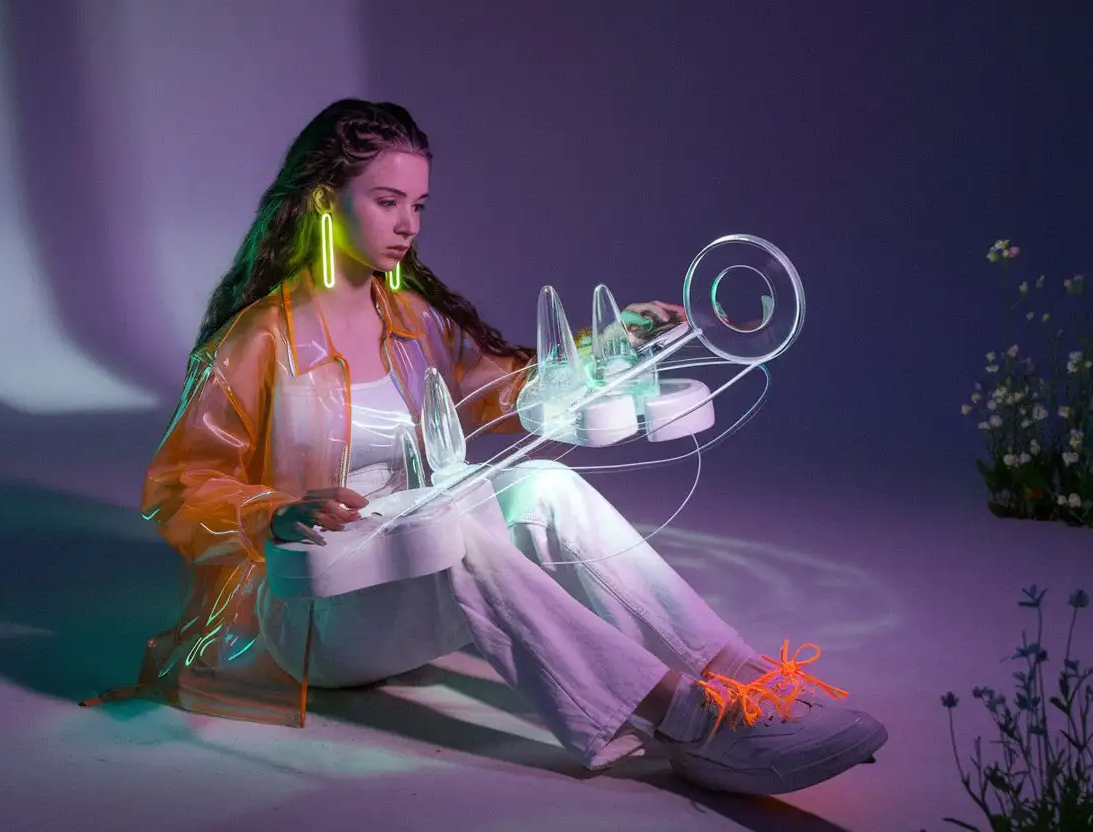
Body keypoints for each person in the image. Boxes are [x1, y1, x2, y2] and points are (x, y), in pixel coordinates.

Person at [85, 99, 886, 795]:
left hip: (398, 572)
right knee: (459, 536)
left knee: (543, 485)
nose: (409, 225)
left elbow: (510, 388)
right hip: (309, 617)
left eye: (420, 205)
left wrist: (608, 346)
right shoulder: (260, 339)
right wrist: (271, 513)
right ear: (324, 201)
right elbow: (181, 482)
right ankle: (692, 725)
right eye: (388, 200)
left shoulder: (414, 320)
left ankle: (749, 685)